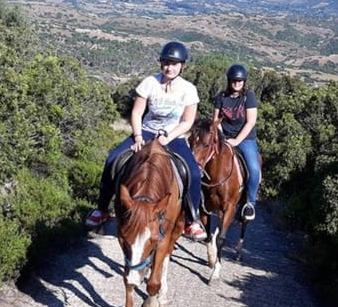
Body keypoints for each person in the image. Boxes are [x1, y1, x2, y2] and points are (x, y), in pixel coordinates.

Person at [85, 41, 208, 241]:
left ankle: (192, 220)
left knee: (193, 173)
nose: (170, 67)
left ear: (182, 65)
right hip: (146, 131)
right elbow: (137, 112)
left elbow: (187, 121)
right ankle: (101, 209)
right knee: (112, 159)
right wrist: (138, 136)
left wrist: (169, 136)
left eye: (174, 64)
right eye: (167, 63)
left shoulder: (189, 89)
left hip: (173, 136)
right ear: (161, 63)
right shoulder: (150, 83)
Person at [213, 64, 261, 221]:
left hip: (245, 139)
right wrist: (222, 137)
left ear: (244, 82)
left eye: (240, 81)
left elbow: (251, 121)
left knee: (254, 170)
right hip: (224, 137)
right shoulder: (221, 97)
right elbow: (216, 120)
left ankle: (250, 203)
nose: (237, 83)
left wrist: (236, 141)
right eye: (234, 81)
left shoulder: (249, 97)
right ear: (229, 81)